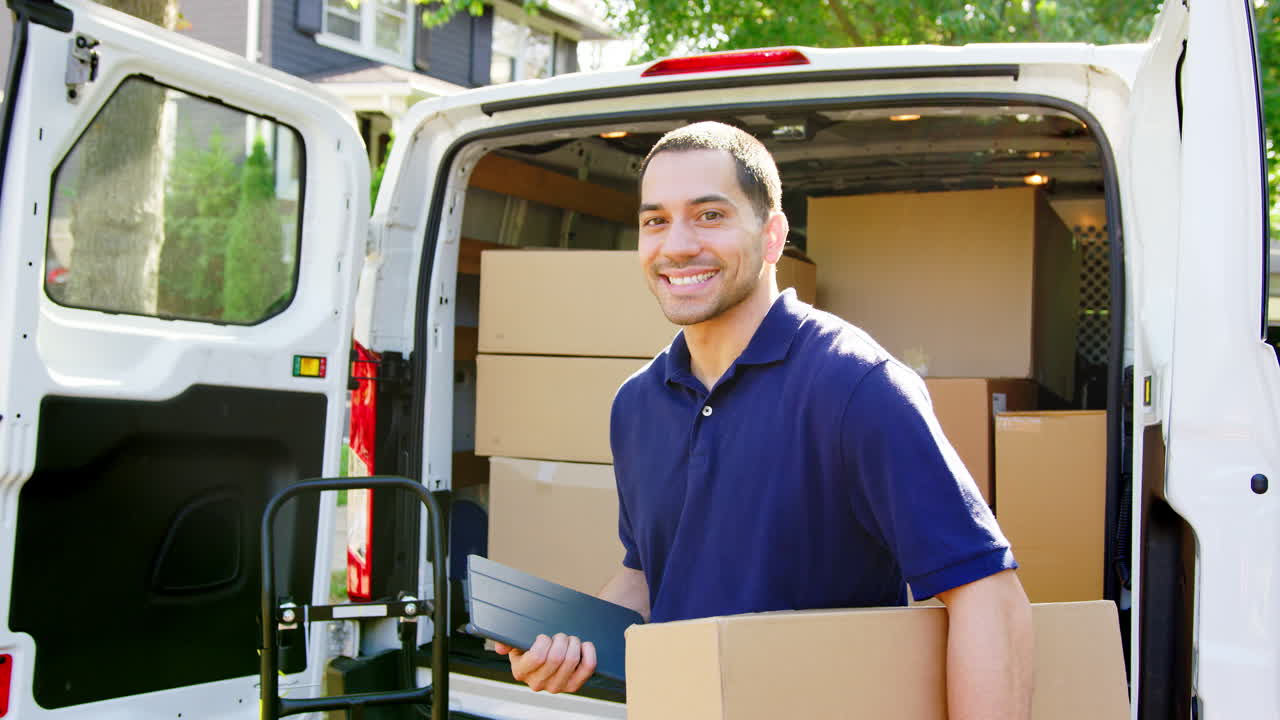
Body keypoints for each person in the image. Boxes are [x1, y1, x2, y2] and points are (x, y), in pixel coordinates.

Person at [494, 121, 1034, 717]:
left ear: (772, 235)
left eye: (709, 215)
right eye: (655, 221)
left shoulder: (854, 384)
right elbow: (651, 575)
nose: (676, 245)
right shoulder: (637, 405)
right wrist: (573, 641)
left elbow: (987, 594)